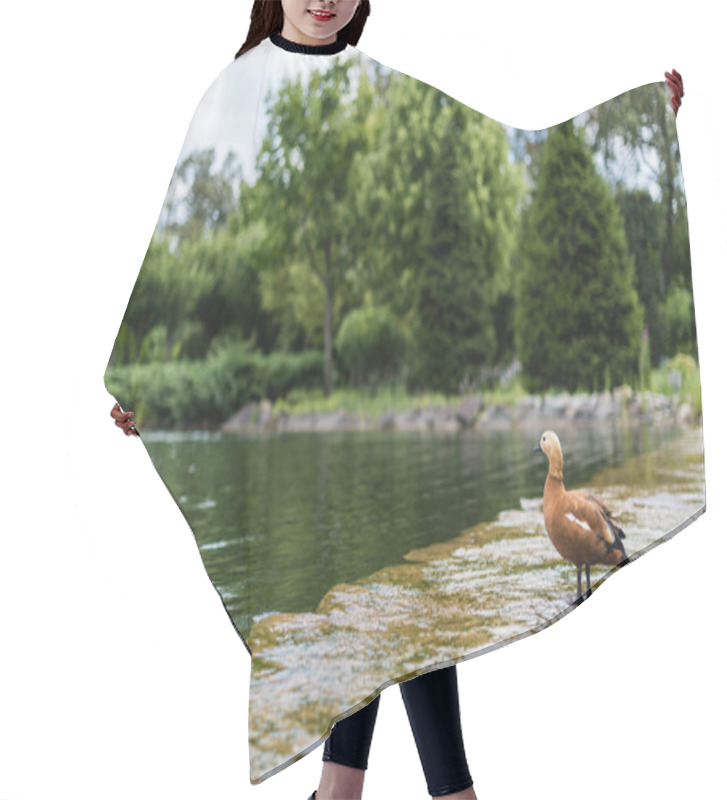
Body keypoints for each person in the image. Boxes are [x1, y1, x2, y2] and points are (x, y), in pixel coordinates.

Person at [109, 3, 685, 798]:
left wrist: (644, 113)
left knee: (396, 601)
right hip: (311, 391)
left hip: (378, 384)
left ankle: (358, 792)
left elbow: (501, 144)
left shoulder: (377, 84)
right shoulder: (234, 89)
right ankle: (421, 793)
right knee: (370, 602)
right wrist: (143, 382)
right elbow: (186, 235)